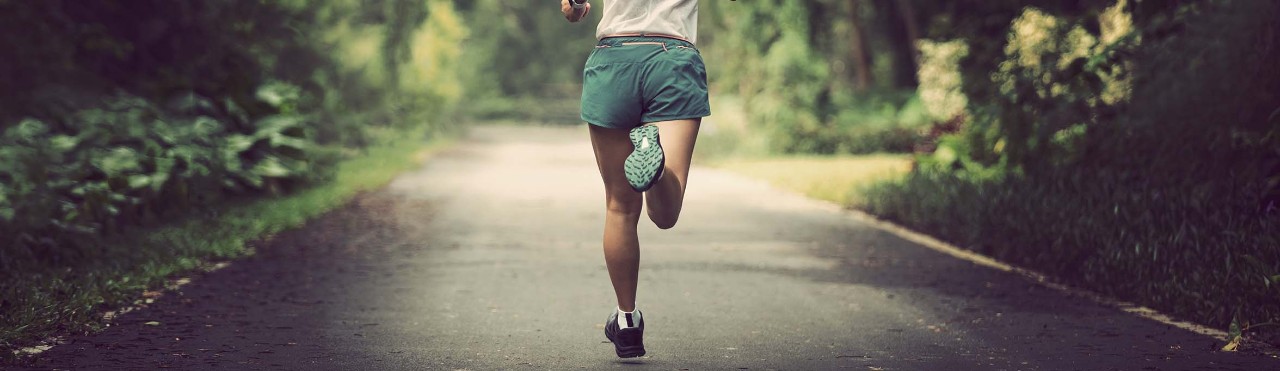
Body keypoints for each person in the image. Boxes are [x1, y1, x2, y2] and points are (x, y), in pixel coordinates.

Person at [561, 0, 710, 359]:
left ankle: (627, 321)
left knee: (620, 206)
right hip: (672, 58)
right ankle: (656, 168)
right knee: (664, 215)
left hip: (614, 59)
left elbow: (573, 9)